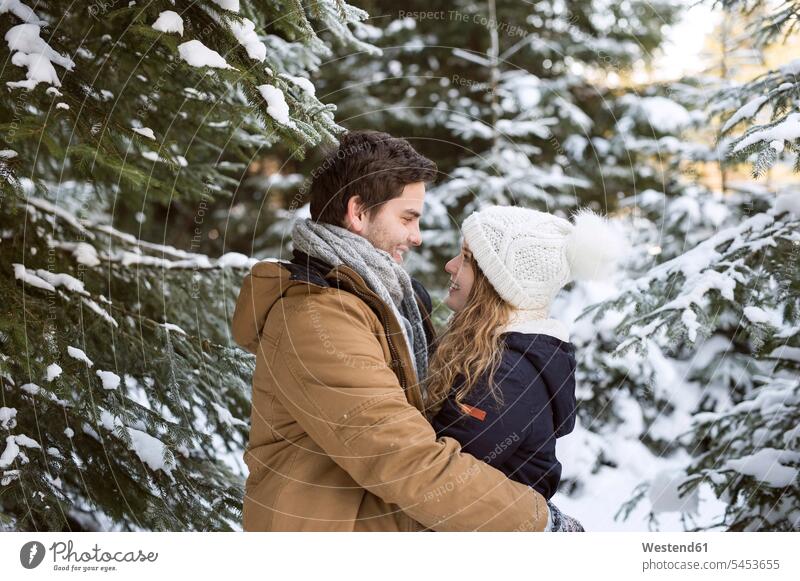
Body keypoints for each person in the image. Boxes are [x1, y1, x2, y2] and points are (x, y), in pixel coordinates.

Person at [231, 130, 550, 531]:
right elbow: (404, 460)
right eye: (407, 218)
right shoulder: (315, 316)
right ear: (358, 212)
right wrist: (539, 523)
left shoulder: (390, 301)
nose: (416, 237)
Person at [426, 205, 626, 532]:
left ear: (498, 284)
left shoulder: (506, 375)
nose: (450, 266)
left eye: (465, 258)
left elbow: (435, 483)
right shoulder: (493, 355)